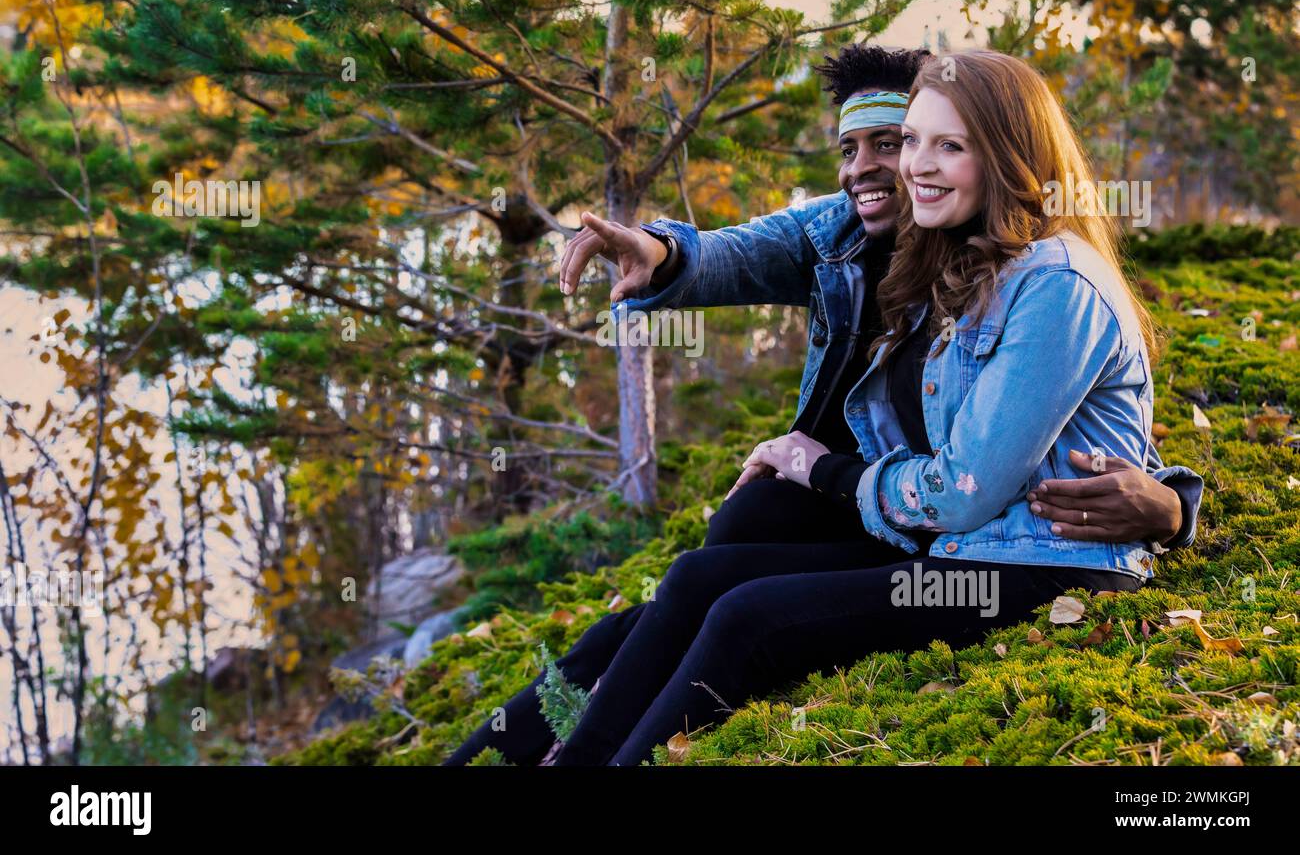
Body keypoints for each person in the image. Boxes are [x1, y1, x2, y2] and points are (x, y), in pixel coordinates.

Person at [443, 47, 1204, 767]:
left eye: (939, 146)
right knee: (699, 581)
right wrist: (661, 252)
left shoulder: (1048, 279)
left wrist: (1170, 503)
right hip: (952, 542)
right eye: (906, 143)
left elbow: (982, 476)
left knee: (745, 615)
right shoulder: (949, 258)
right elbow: (738, 252)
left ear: (1007, 154)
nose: (902, 166)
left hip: (1018, 562)